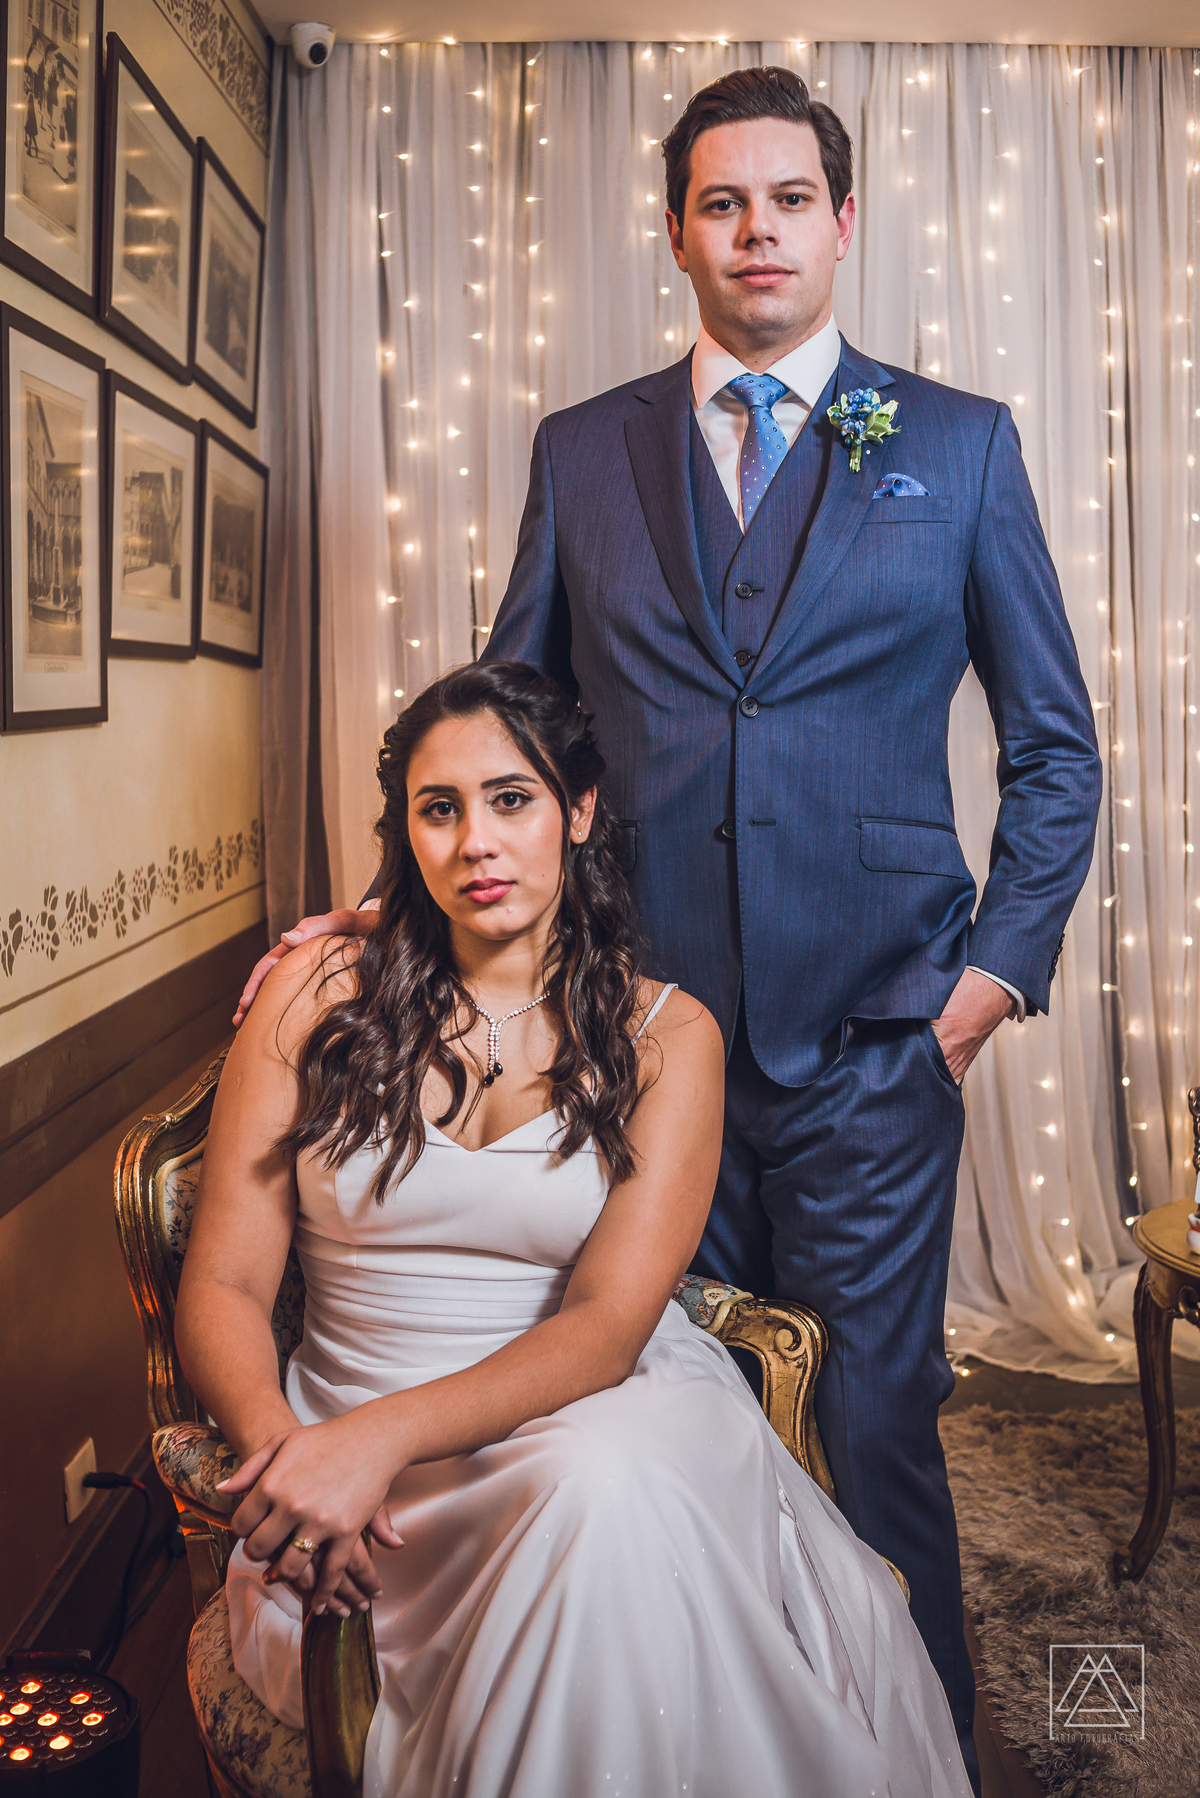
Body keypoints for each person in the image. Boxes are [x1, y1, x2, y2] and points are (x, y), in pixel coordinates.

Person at [237, 68, 1102, 1791]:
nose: (756, 231)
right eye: (722, 202)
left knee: (871, 1428)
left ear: (841, 224)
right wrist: (393, 893)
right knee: (647, 1426)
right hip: (613, 1051)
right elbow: (508, 721)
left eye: (788, 200)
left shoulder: (959, 443)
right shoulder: (586, 449)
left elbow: (1057, 748)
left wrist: (981, 988)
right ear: (677, 231)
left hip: (874, 1044)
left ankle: (918, 1746)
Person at [181, 663, 972, 1798]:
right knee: (598, 1505)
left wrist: (381, 1440)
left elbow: (606, 1328)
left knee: (603, 1492)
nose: (476, 843)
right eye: (439, 808)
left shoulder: (670, 1037)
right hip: (343, 1465)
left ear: (580, 809)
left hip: (584, 1413)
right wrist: (292, 1463)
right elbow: (222, 1284)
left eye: (512, 799)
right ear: (406, 833)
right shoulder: (314, 993)